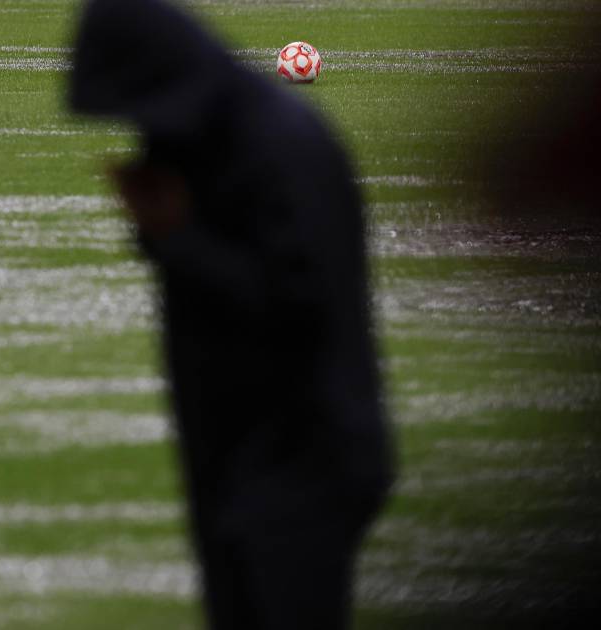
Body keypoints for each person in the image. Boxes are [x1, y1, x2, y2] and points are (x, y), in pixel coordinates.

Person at [67, 1, 394, 628]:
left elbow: (295, 307)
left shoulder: (279, 147)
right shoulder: (206, 138)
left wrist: (177, 235)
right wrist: (163, 234)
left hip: (302, 457)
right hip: (236, 451)